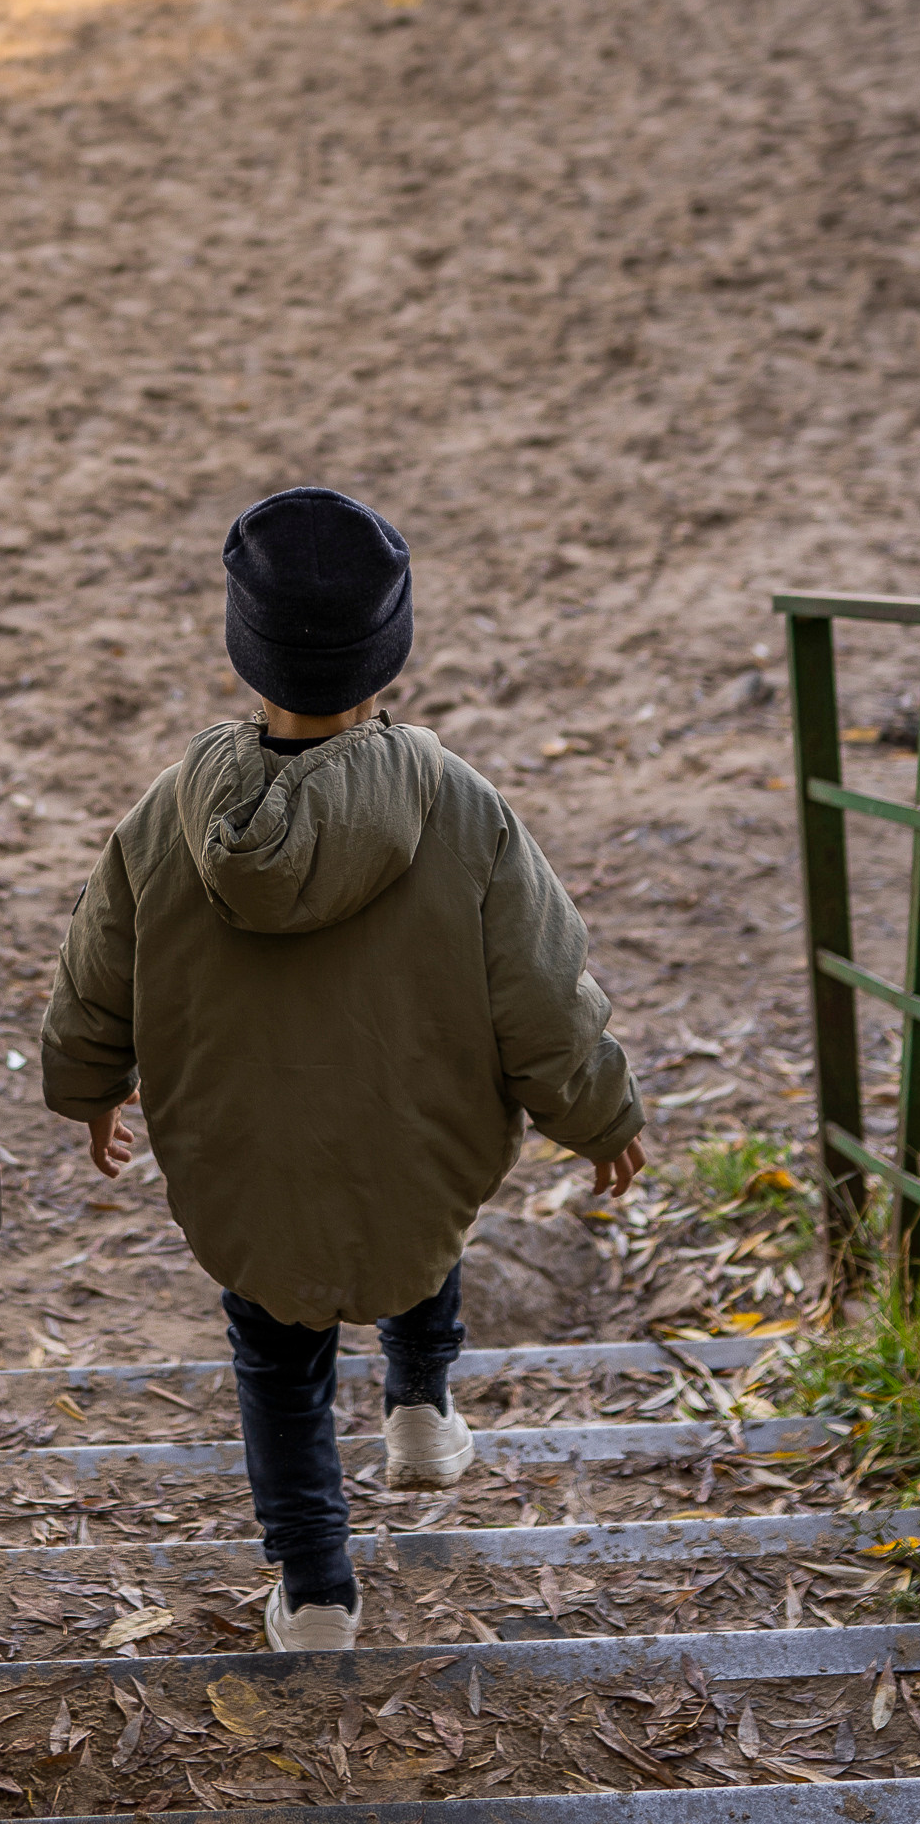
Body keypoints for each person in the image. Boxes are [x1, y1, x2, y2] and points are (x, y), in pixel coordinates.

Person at [40, 484, 646, 1652]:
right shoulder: (460, 805)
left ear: (245, 650)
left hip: (248, 1163)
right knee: (421, 1214)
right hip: (413, 1142)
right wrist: (598, 1110)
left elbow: (97, 962)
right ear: (390, 653)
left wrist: (89, 1083)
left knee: (277, 1359)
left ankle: (318, 1590)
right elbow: (540, 988)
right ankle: (420, 1408)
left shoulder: (170, 813)